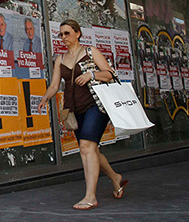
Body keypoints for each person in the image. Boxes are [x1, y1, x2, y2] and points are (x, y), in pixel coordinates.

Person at [37, 19, 128, 210]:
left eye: (67, 33)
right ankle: (115, 177)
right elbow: (55, 84)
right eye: (60, 34)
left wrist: (91, 75)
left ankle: (90, 196)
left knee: (86, 146)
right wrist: (45, 97)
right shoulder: (60, 59)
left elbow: (110, 74)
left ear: (78, 33)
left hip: (95, 106)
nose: (63, 37)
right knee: (90, 150)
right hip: (74, 109)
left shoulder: (90, 52)